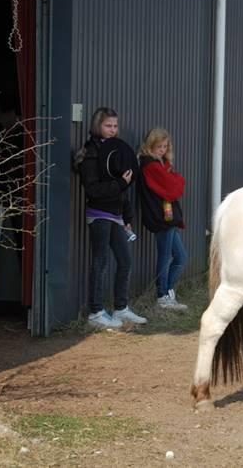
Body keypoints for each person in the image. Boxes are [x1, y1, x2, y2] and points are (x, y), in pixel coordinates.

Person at [77, 107, 147, 329]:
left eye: (115, 126)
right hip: (98, 214)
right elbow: (93, 189)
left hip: (116, 215)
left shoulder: (115, 150)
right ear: (97, 126)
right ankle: (96, 313)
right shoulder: (91, 152)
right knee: (100, 262)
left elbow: (122, 188)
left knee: (125, 261)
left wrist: (127, 216)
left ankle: (121, 308)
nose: (113, 130)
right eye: (108, 125)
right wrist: (120, 184)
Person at [137, 128, 189, 311]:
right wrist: (175, 179)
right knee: (166, 256)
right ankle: (162, 296)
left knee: (180, 257)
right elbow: (174, 188)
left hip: (167, 217)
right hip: (161, 218)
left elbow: (173, 184)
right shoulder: (151, 165)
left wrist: (173, 178)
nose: (162, 149)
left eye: (165, 146)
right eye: (158, 146)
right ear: (150, 146)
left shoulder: (161, 164)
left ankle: (167, 292)